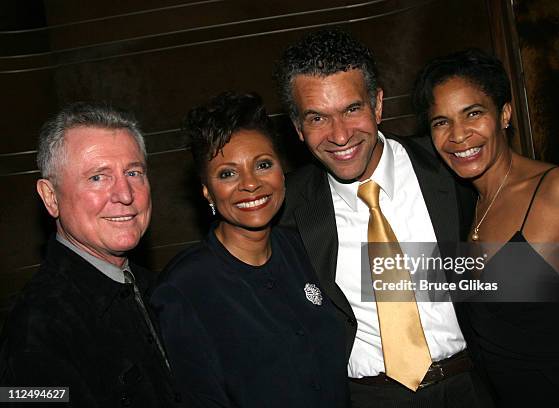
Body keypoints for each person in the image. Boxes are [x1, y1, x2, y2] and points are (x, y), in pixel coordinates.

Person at [275, 28, 559, 407]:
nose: (339, 135)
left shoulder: (455, 166)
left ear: (378, 104)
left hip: (477, 388)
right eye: (317, 118)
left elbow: (503, 249)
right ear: (298, 127)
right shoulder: (285, 208)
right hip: (370, 398)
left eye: (352, 109)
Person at [412, 48, 559, 407]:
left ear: (504, 114)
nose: (458, 135)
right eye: (441, 122)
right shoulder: (461, 205)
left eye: (473, 113)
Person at [150, 92, 348, 408]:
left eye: (263, 164)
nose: (251, 183)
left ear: (282, 171)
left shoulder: (305, 249)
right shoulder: (185, 288)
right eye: (227, 173)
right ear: (207, 191)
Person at [0, 102, 180, 407]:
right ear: (50, 197)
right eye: (98, 177)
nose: (125, 194)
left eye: (134, 172)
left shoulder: (162, 289)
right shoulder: (36, 329)